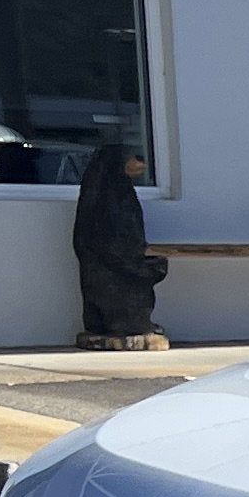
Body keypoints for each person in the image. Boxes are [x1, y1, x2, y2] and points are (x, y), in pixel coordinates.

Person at [70, 141, 170, 350]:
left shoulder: (98, 194)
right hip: (116, 269)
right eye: (134, 158)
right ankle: (130, 325)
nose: (141, 165)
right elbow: (115, 243)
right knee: (130, 292)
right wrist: (140, 267)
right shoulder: (114, 197)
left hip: (103, 266)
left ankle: (107, 322)